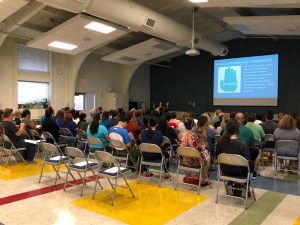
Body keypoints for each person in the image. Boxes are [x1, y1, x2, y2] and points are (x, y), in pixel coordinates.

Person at [178, 118, 210, 185]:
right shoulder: (194, 136)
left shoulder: (180, 135)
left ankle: (204, 178)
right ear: (193, 126)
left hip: (184, 161)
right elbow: (201, 148)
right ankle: (204, 179)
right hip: (195, 162)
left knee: (202, 155)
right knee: (207, 156)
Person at [235, 112, 260, 178]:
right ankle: (254, 172)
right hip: (243, 160)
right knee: (258, 152)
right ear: (244, 120)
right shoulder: (248, 130)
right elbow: (252, 145)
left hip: (226, 165)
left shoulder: (227, 129)